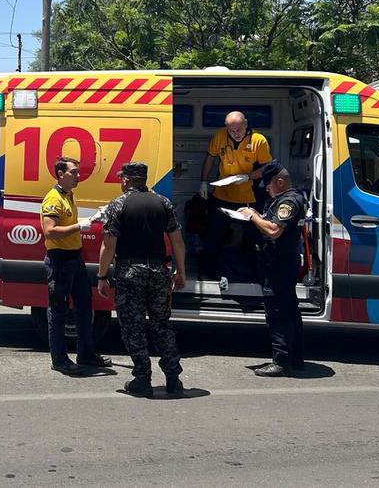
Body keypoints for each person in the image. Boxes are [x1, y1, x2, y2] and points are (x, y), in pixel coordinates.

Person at [96, 162, 187, 396]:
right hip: (158, 272)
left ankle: (142, 378)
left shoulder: (118, 204)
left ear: (126, 180)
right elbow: (177, 241)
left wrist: (102, 276)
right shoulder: (162, 202)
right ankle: (173, 378)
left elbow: (109, 244)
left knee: (133, 327)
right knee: (161, 325)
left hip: (130, 273)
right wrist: (181, 272)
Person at [40, 156, 112, 376]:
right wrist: (79, 226)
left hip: (75, 258)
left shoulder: (69, 195)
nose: (78, 176)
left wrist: (93, 219)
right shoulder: (53, 198)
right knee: (59, 311)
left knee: (84, 306)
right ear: (60, 174)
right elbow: (49, 231)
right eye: (74, 172)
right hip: (59, 260)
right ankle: (59, 359)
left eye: (78, 172)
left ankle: (86, 353)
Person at [239, 160, 307, 377]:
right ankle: (296, 357)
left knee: (278, 313)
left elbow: (274, 230)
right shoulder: (283, 200)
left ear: (280, 181)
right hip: (282, 263)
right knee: (290, 310)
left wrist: (253, 216)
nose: (266, 189)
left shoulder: (288, 202)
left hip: (279, 264)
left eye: (268, 185)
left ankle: (281, 361)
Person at [200, 111, 272, 282]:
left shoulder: (258, 140)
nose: (236, 133)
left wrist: (248, 177)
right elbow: (210, 158)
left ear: (246, 124)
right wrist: (203, 181)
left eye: (239, 129)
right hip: (222, 195)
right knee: (213, 237)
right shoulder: (220, 136)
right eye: (232, 131)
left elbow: (267, 168)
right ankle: (208, 273)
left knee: (252, 239)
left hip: (249, 197)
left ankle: (252, 276)